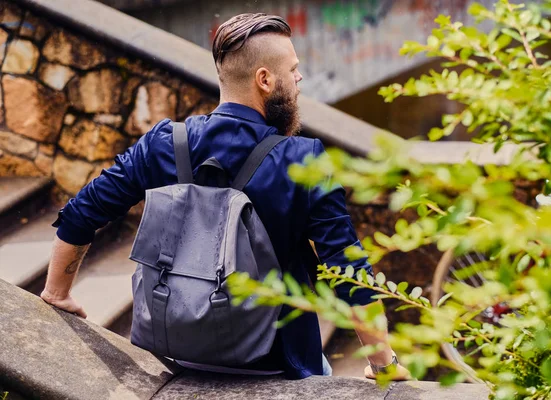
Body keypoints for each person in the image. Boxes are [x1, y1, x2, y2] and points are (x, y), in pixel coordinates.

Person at [40, 13, 409, 381]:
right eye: (293, 69)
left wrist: (57, 292)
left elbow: (81, 213)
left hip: (174, 353)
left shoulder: (165, 142)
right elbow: (348, 271)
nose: (299, 78)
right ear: (264, 80)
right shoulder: (302, 159)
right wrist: (383, 365)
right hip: (277, 365)